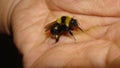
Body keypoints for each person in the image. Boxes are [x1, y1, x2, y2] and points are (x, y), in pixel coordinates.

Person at [0, 0, 120, 68]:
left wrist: (15, 4)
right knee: (59, 31)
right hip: (53, 30)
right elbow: (64, 28)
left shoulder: (66, 21)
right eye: (72, 23)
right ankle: (56, 39)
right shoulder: (64, 25)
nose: (73, 24)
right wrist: (15, 5)